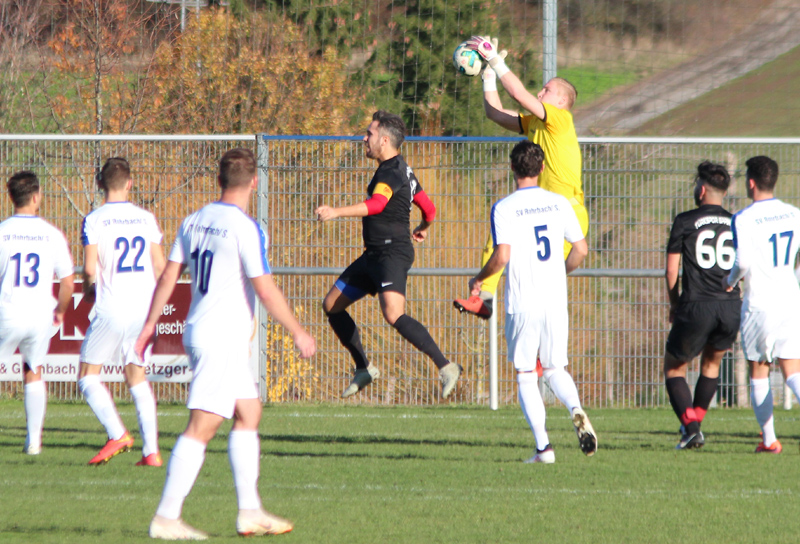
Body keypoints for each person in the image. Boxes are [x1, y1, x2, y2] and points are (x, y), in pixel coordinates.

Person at [134, 148, 316, 539]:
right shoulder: (243, 227)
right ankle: (166, 517)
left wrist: (150, 324)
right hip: (220, 337)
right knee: (203, 425)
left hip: (204, 331)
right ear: (253, 182)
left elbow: (168, 277)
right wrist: (298, 331)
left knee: (248, 412)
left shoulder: (195, 219)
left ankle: (250, 511)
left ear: (219, 180)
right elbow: (264, 288)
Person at [315, 110, 462, 399]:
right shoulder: (403, 169)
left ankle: (446, 366)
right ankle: (364, 368)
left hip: (391, 254)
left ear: (383, 140)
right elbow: (429, 209)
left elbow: (378, 204)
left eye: (368, 134)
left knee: (393, 314)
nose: (364, 138)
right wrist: (424, 226)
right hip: (373, 255)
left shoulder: (391, 172)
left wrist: (336, 212)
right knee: (331, 305)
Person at [469, 140, 596, 463]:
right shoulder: (558, 203)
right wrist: (560, 272)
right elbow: (580, 249)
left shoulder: (505, 207)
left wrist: (480, 278)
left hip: (523, 301)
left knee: (527, 372)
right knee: (555, 368)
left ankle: (544, 449)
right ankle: (576, 409)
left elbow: (502, 257)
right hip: (554, 300)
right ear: (542, 169)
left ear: (512, 168)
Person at [454, 35, 588, 319]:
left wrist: (496, 60)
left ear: (562, 100)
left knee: (545, 281)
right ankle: (484, 298)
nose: (540, 93)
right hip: (543, 207)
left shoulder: (561, 120)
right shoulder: (536, 123)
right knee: (500, 237)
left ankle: (544, 354)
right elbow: (495, 113)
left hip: (568, 210)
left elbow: (517, 94)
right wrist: (489, 76)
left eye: (547, 90)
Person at [77, 157, 166, 466]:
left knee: (88, 376)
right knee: (137, 377)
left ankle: (118, 434)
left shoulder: (95, 219)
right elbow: (159, 266)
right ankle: (151, 452)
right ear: (130, 183)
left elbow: (90, 269)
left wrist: (90, 289)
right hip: (143, 309)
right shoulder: (146, 218)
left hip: (112, 306)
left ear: (100, 184)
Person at [724, 155, 800, 454]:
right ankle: (768, 440)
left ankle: (769, 440)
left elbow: (742, 262)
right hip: (790, 299)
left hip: (761, 303)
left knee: (760, 369)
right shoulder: (794, 213)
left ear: (751, 182)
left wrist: (730, 280)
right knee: (793, 370)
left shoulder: (744, 218)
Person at [663, 161, 741, 450]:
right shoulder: (737, 221)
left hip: (698, 305)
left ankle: (692, 428)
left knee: (674, 368)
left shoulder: (684, 220)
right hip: (731, 305)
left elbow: (672, 271)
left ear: (702, 189)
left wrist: (674, 304)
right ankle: (694, 429)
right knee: (712, 364)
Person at [0, 171, 74, 455]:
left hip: (8, 311)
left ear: (11, 198)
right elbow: (67, 283)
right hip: (40, 314)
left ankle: (33, 442)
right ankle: (34, 443)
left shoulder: (3, 231)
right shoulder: (52, 233)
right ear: (35, 196)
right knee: (33, 371)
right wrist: (61, 312)